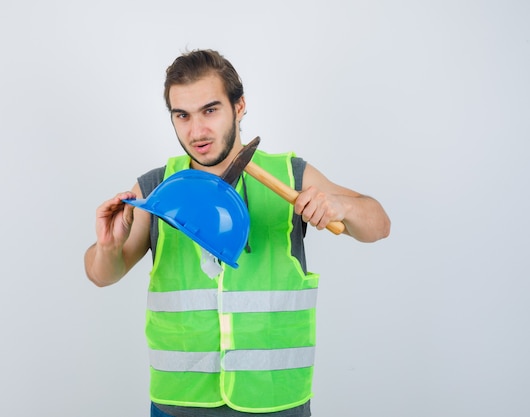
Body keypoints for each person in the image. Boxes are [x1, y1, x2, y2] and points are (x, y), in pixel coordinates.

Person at [84, 49, 391, 417]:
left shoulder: (289, 175)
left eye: (210, 110)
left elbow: (378, 225)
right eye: (182, 115)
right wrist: (108, 246)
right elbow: (102, 274)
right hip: (180, 402)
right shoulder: (158, 189)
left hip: (275, 402)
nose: (196, 132)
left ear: (239, 106)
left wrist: (343, 207)